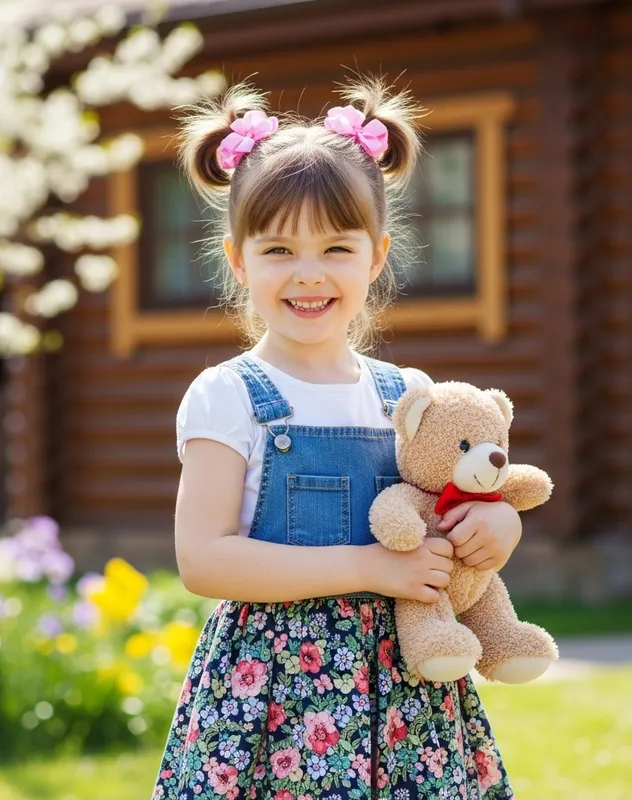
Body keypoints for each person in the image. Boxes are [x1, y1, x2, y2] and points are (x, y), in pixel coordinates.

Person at [152, 76, 521, 800]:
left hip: (405, 694)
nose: (309, 274)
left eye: (336, 248)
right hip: (276, 695)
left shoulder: (407, 396)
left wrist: (496, 527)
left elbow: (450, 500)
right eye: (279, 249)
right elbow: (203, 560)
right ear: (238, 259)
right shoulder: (230, 396)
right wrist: (370, 568)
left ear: (376, 257)